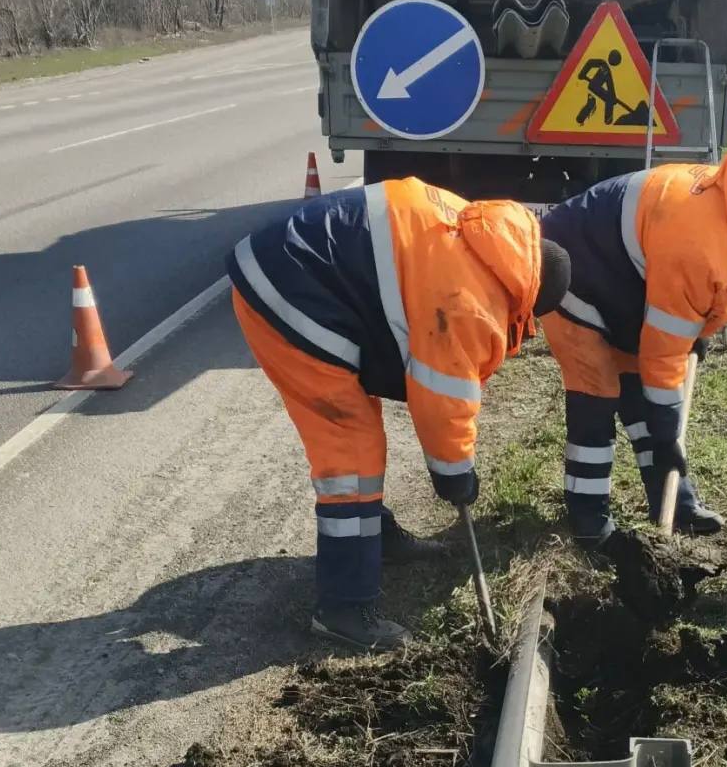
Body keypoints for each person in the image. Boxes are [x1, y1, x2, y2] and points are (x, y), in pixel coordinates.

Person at [228, 178, 571, 650]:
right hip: (287, 289)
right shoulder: (470, 302)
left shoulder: (489, 240)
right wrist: (456, 476)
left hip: (304, 271)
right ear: (528, 295)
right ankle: (344, 608)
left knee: (362, 432)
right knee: (351, 454)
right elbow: (442, 401)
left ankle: (376, 539)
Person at [539, 154, 727, 544]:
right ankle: (588, 520)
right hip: (574, 268)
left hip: (624, 281)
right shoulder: (704, 246)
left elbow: (713, 293)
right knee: (597, 395)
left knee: (643, 396)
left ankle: (674, 504)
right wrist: (667, 433)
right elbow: (663, 357)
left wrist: (698, 328)